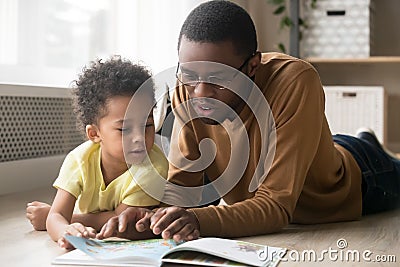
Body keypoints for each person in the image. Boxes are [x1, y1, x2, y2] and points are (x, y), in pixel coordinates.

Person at [97, 0, 400, 241]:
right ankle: (362, 137)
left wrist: (197, 219)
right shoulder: (185, 89)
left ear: (253, 65)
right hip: (310, 149)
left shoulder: (295, 80)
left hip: (361, 177)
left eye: (219, 78)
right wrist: (146, 217)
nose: (201, 94)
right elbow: (183, 189)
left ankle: (369, 143)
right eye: (190, 75)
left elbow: (276, 207)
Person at [26, 57, 168, 248]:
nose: (139, 137)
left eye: (148, 125)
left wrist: (69, 218)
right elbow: (57, 216)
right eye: (124, 129)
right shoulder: (79, 159)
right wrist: (64, 231)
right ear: (94, 134)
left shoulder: (154, 167)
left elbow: (119, 221)